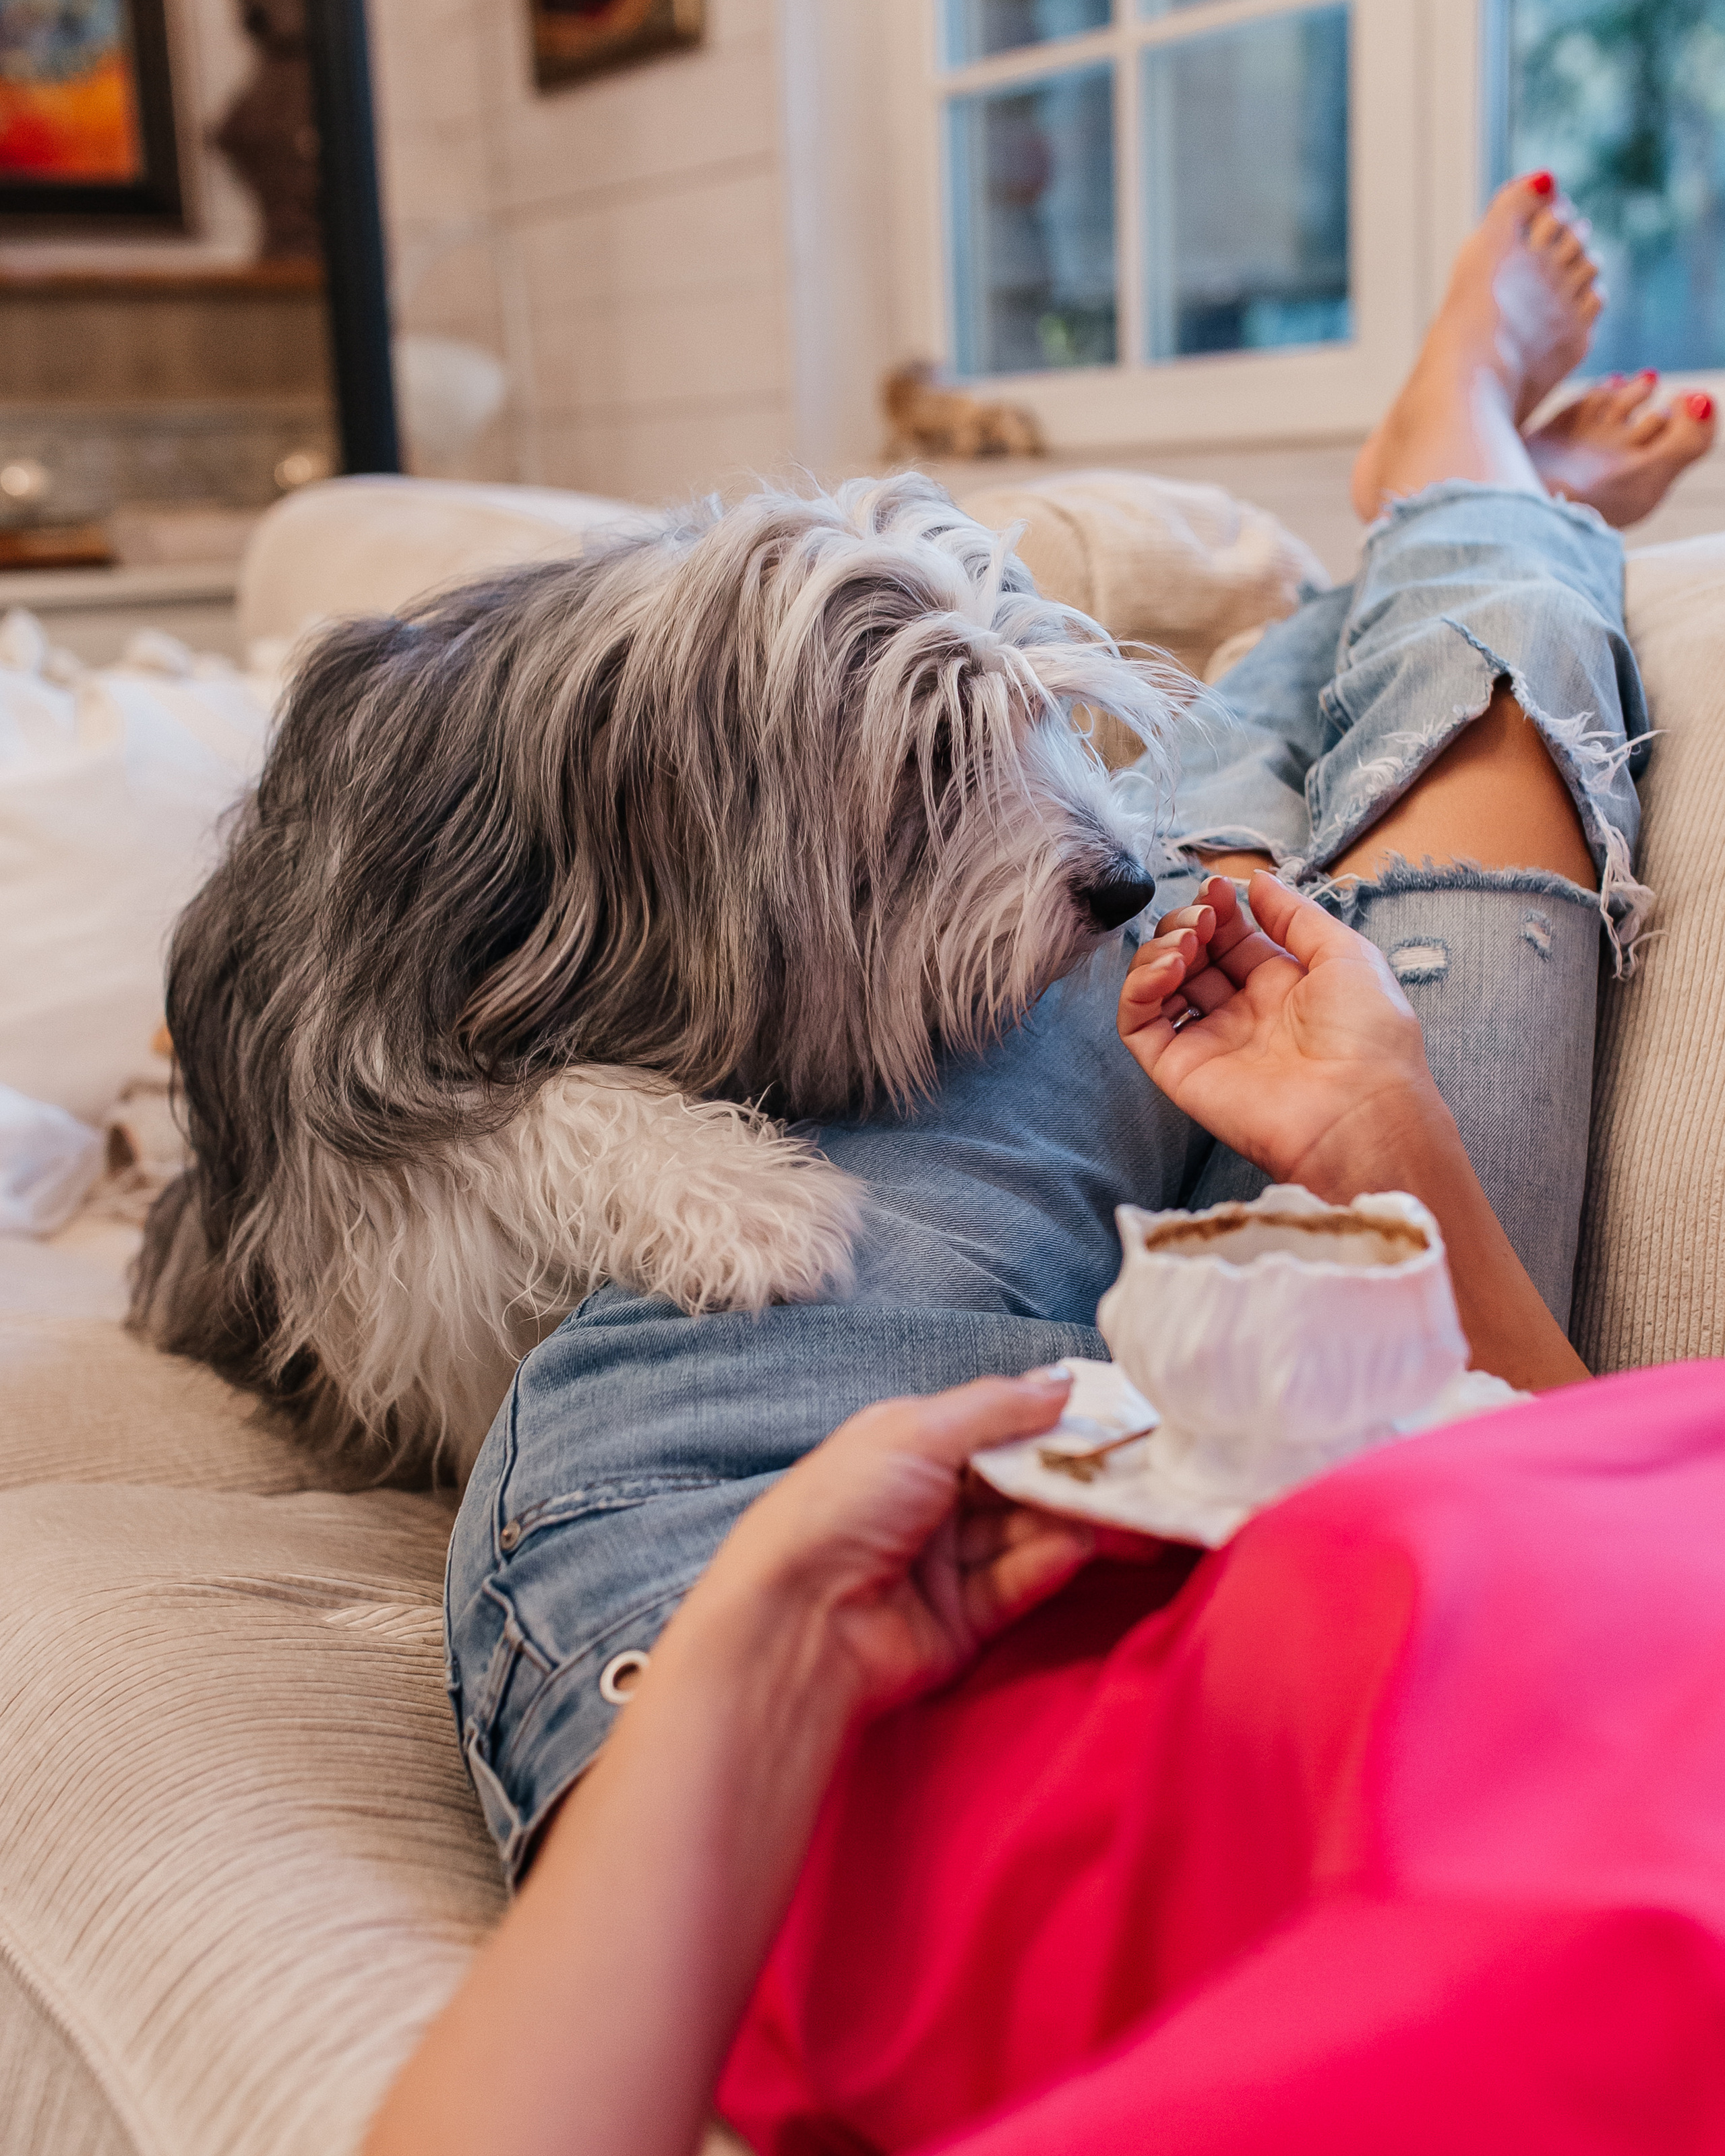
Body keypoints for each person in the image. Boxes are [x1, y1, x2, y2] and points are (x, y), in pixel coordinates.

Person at [368, 177, 1724, 2154]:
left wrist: (766, 1650)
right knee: (1254, 882)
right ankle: (1451, 514)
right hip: (1376, 1417)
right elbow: (1592, 1487)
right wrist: (1381, 1134)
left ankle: (1449, 504)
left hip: (777, 1566)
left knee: (1099, 881)